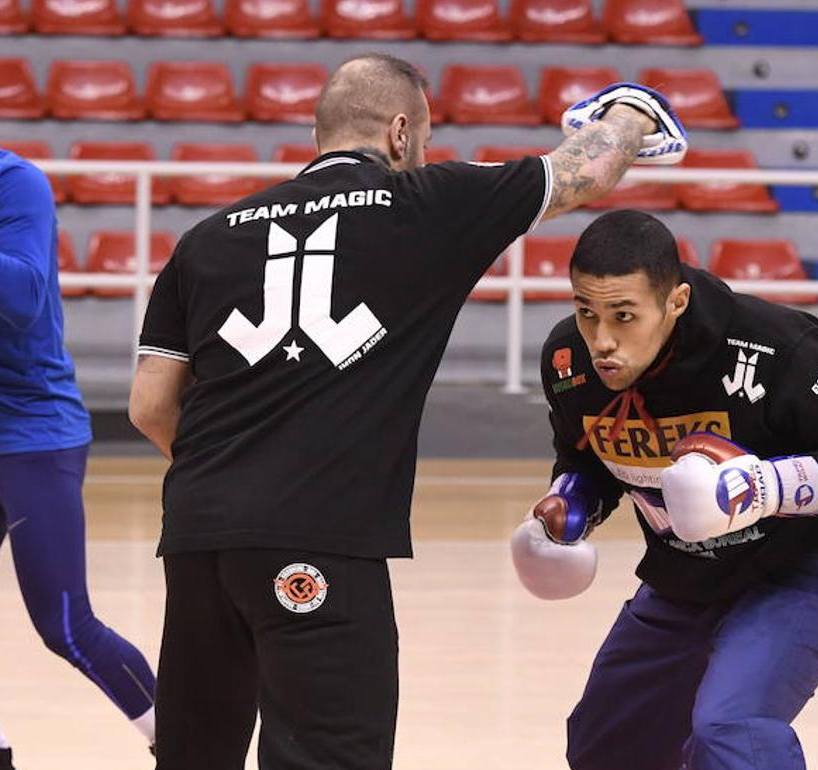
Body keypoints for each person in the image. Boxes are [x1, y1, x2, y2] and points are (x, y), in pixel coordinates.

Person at [127, 53, 687, 770]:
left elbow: (149, 405)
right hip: (321, 535)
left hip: (198, 538)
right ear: (400, 132)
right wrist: (634, 109)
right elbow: (590, 167)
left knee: (193, 757)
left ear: (317, 130)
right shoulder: (428, 203)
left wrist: (236, 478)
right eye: (422, 138)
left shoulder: (206, 238)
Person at [511, 209, 818, 770]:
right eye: (586, 312)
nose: (602, 340)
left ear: (675, 302)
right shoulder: (567, 361)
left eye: (624, 316)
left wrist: (762, 486)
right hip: (684, 580)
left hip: (799, 573)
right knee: (606, 741)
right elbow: (586, 454)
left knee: (730, 731)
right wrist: (571, 503)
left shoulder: (776, 345)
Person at [0, 68, 158, 769]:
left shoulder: (12, 184)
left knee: (66, 626)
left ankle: (189, 746)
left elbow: (18, 296)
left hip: (34, 436)